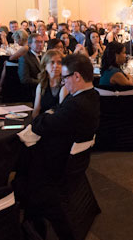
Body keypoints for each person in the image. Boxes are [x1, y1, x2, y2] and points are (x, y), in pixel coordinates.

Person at [26, 53, 100, 186]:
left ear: (77, 76)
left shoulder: (75, 104)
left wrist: (47, 115)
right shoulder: (92, 95)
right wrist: (52, 113)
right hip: (73, 154)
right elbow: (57, 109)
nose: (63, 82)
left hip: (59, 159)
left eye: (65, 77)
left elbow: (40, 125)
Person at [31, 50, 68, 119]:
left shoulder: (65, 86)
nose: (56, 66)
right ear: (45, 66)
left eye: (59, 63)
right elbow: (36, 110)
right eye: (52, 62)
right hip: (42, 122)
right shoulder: (41, 86)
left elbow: (61, 113)